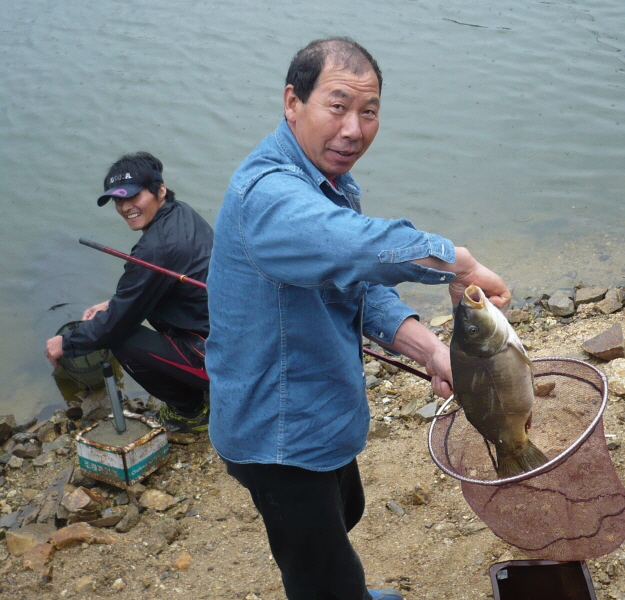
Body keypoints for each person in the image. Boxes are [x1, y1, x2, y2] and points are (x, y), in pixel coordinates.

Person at [206, 38, 511, 600]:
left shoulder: (329, 182)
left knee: (346, 512)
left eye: (368, 112)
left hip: (322, 412)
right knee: (324, 577)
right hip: (277, 433)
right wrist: (457, 263)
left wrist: (431, 350)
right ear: (292, 102)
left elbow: (357, 283)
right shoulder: (269, 196)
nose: (353, 129)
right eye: (337, 106)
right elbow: (354, 246)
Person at [45, 152, 214, 433]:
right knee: (116, 319)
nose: (125, 207)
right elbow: (152, 288)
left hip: (222, 358)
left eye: (133, 196)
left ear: (160, 190)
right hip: (230, 334)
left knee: (121, 338)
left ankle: (191, 412)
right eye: (118, 200)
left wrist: (67, 342)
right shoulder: (181, 213)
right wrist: (113, 303)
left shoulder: (156, 249)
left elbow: (115, 325)